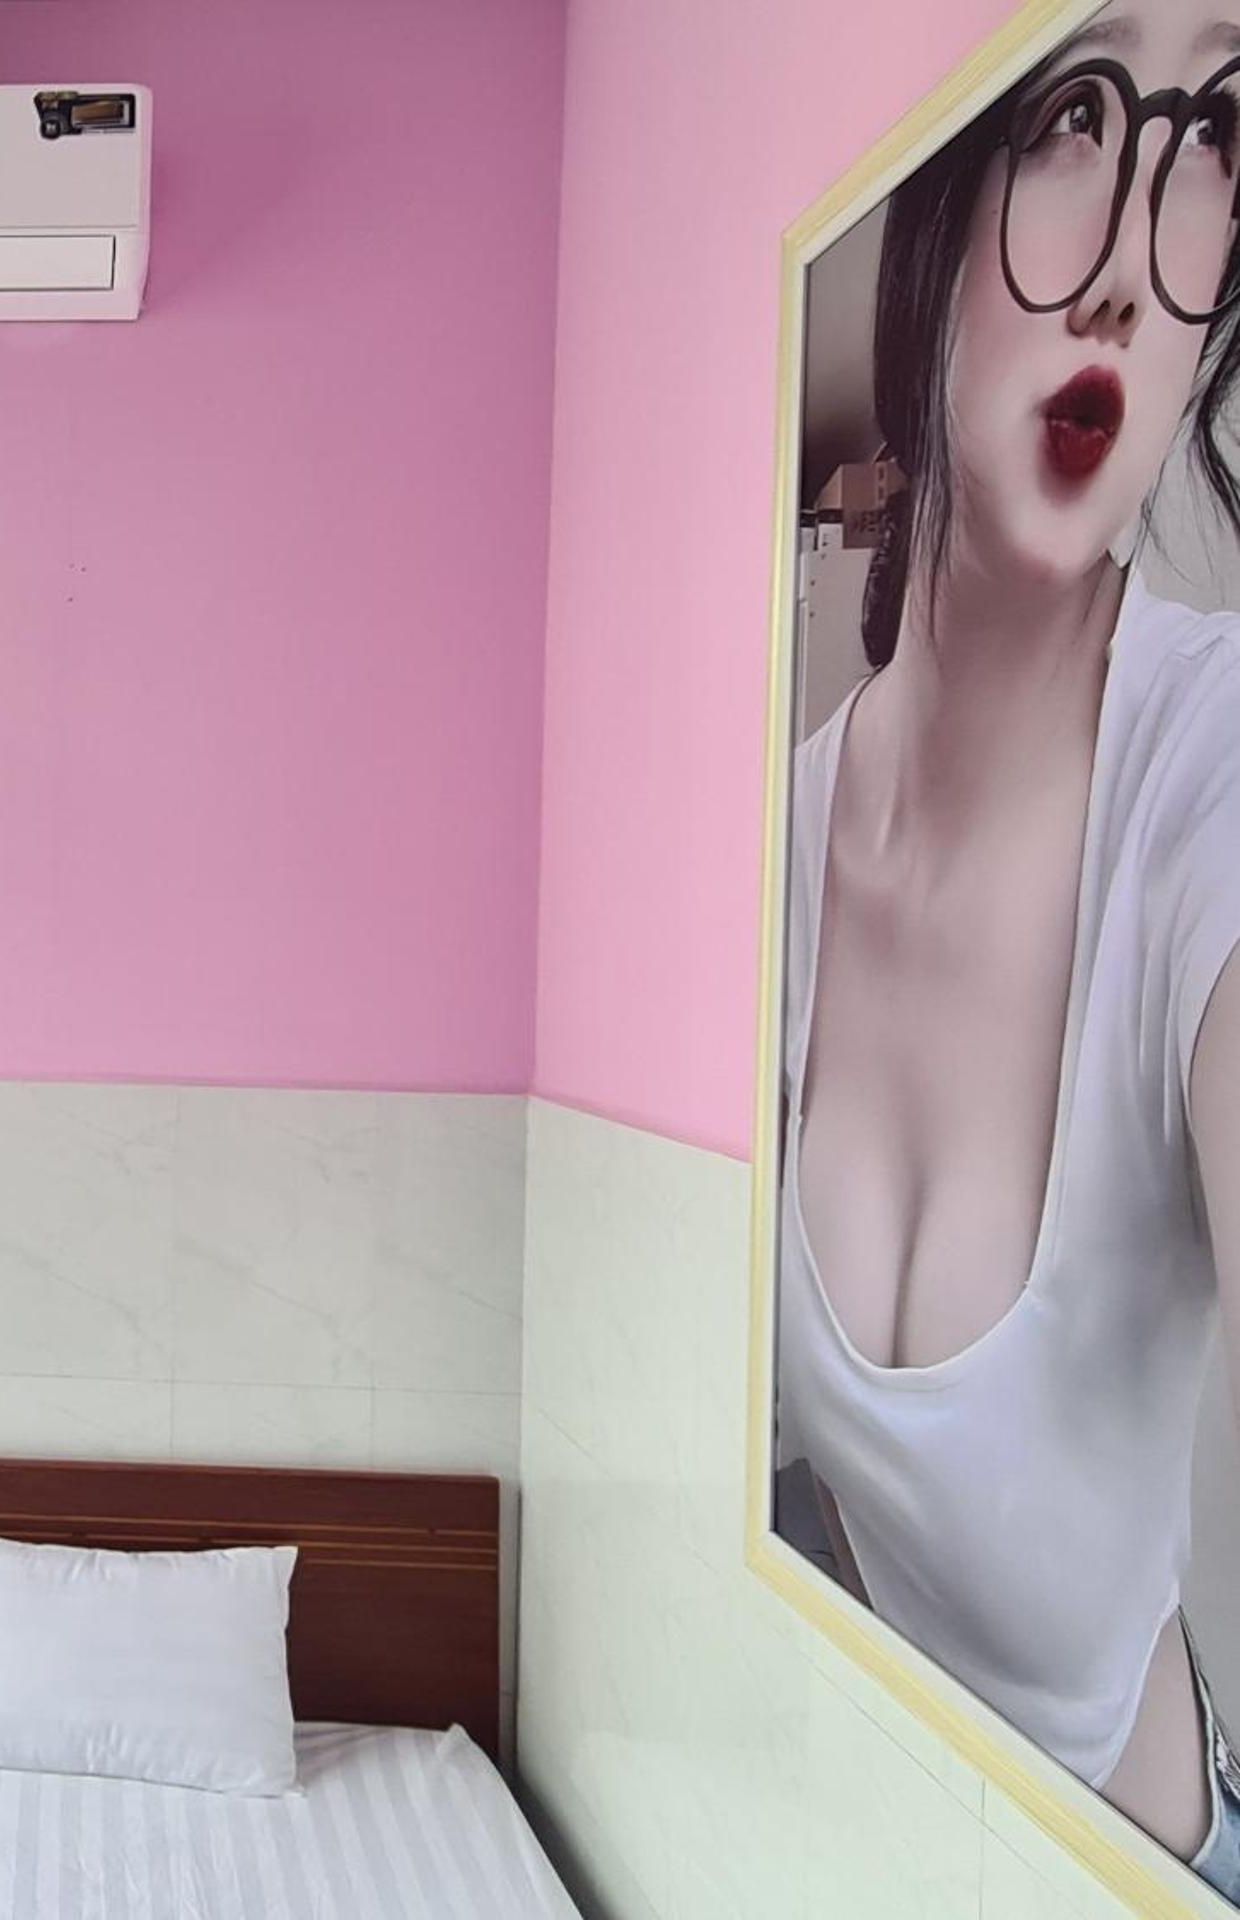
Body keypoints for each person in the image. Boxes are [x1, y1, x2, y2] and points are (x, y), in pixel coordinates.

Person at [777, 0, 1240, 1895]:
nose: (1130, 266)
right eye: (1070, 117)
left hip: (1152, 1864)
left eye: (1217, 136)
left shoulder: (1210, 771)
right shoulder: (773, 838)